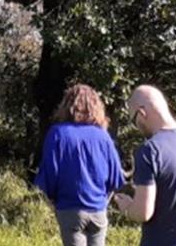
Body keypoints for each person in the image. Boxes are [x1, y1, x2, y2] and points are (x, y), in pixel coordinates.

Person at [112, 85, 176, 246]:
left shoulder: (149, 151)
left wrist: (126, 207)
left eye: (133, 120)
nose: (136, 126)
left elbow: (143, 213)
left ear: (142, 113)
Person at [33, 83, 126, 246]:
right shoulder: (103, 136)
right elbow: (116, 177)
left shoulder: (58, 133)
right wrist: (103, 201)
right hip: (98, 209)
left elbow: (50, 174)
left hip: (70, 208)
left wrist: (54, 200)